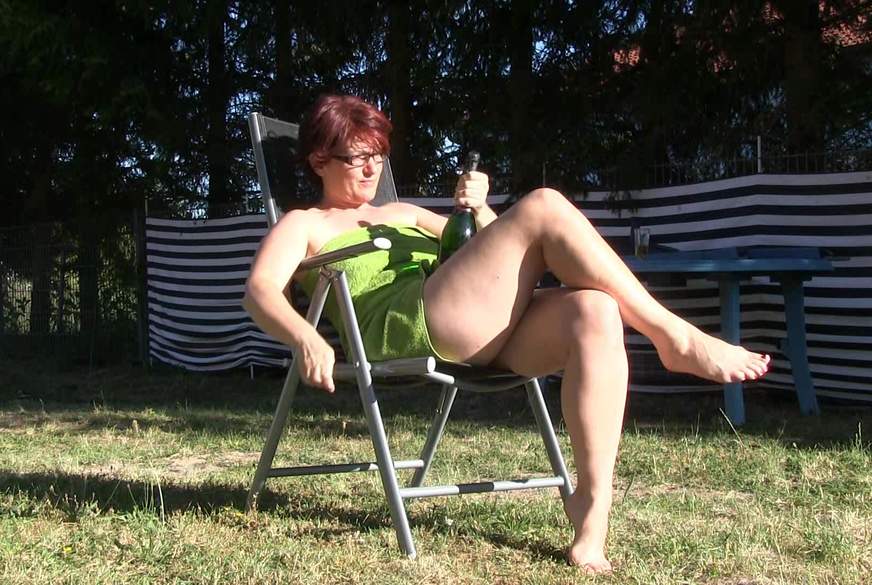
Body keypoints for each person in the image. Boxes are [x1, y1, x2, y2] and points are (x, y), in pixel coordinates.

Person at [243, 94, 770, 574]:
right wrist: (305, 337)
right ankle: (672, 335)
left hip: (475, 327)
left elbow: (497, 247)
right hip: (413, 325)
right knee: (544, 205)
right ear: (319, 160)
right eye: (358, 158)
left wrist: (480, 209)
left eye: (379, 156)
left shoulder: (402, 211)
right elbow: (260, 291)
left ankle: (591, 518)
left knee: (594, 310)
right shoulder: (304, 224)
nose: (372, 168)